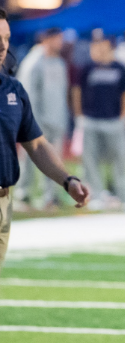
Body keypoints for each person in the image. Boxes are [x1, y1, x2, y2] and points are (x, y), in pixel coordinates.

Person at [0, 7, 90, 343]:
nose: (2, 50)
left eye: (4, 43)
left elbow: (35, 144)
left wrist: (67, 179)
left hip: (4, 203)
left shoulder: (12, 89)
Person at [72, 29, 125, 212]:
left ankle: (123, 194)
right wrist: (79, 115)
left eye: (101, 45)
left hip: (114, 120)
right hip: (91, 119)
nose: (97, 49)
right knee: (90, 160)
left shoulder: (120, 68)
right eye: (95, 45)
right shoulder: (87, 68)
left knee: (120, 160)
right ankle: (97, 194)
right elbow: (77, 92)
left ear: (109, 46)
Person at [15, 28, 70, 210]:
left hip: (55, 120)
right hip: (37, 122)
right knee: (31, 159)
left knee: (54, 160)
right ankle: (23, 194)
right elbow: (28, 95)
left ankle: (51, 196)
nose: (60, 43)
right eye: (57, 39)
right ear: (47, 39)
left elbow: (61, 94)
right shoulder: (34, 62)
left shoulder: (59, 62)